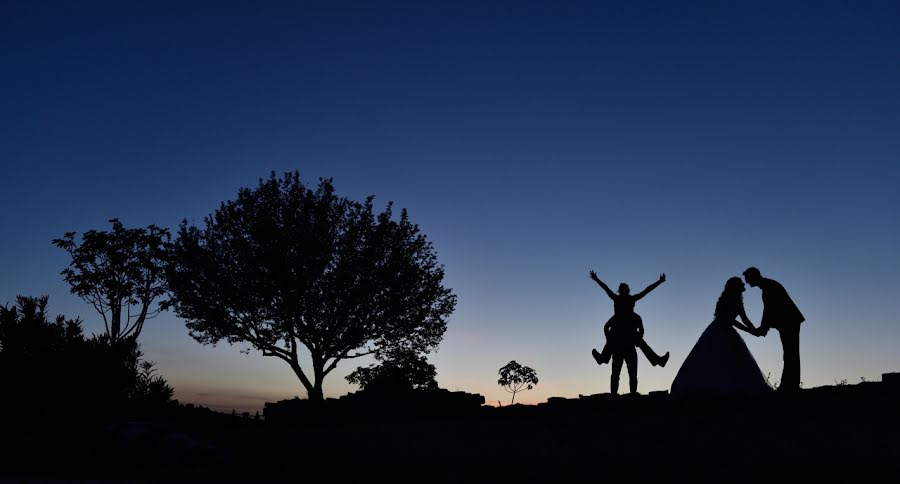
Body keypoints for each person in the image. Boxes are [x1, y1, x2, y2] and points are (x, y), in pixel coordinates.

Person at [670, 277, 771, 395]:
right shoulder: (731, 300)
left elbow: (744, 320)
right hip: (721, 330)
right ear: (736, 287)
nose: (744, 286)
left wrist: (753, 330)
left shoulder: (735, 301)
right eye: (741, 284)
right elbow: (733, 321)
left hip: (721, 329)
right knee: (717, 358)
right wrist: (752, 331)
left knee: (722, 359)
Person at [588, 270, 669, 395]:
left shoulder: (632, 314)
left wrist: (659, 282)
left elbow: (645, 291)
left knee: (626, 372)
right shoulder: (626, 309)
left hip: (624, 342)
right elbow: (644, 291)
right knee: (619, 372)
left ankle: (604, 358)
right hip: (620, 342)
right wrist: (596, 279)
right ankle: (656, 360)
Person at [743, 267, 806, 392]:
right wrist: (763, 328)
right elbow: (769, 311)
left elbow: (768, 311)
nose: (746, 282)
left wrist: (763, 329)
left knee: (790, 352)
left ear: (753, 277)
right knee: (790, 352)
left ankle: (790, 385)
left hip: (789, 322)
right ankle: (790, 384)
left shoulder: (768, 288)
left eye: (747, 279)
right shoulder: (768, 286)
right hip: (788, 322)